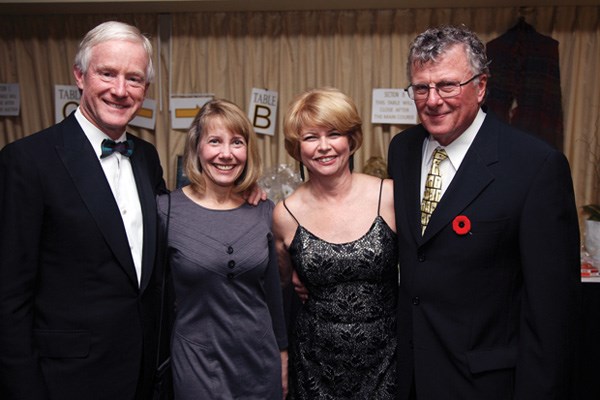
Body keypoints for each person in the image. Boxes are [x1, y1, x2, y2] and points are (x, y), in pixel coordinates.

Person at [387, 25, 581, 399]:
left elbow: (552, 311)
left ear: (481, 86)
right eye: (421, 87)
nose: (432, 100)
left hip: (485, 383)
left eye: (448, 85)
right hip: (410, 378)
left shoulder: (535, 166)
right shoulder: (403, 150)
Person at [0, 21, 167, 399]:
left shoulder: (146, 157)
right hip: (64, 380)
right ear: (79, 75)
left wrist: (238, 193)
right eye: (107, 73)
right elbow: (9, 296)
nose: (120, 90)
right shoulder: (27, 161)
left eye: (134, 79)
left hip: (142, 375)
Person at [156, 99, 288, 400]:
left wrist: (283, 355)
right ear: (197, 148)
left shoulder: (265, 211)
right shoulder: (165, 211)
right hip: (197, 366)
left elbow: (275, 295)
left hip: (259, 364)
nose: (226, 154)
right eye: (214, 141)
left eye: (236, 142)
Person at [273, 87, 398, 399]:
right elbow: (281, 283)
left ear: (351, 139)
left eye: (334, 134)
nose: (324, 147)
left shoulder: (389, 195)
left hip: (387, 361)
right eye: (310, 137)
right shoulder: (285, 213)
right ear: (296, 147)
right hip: (315, 365)